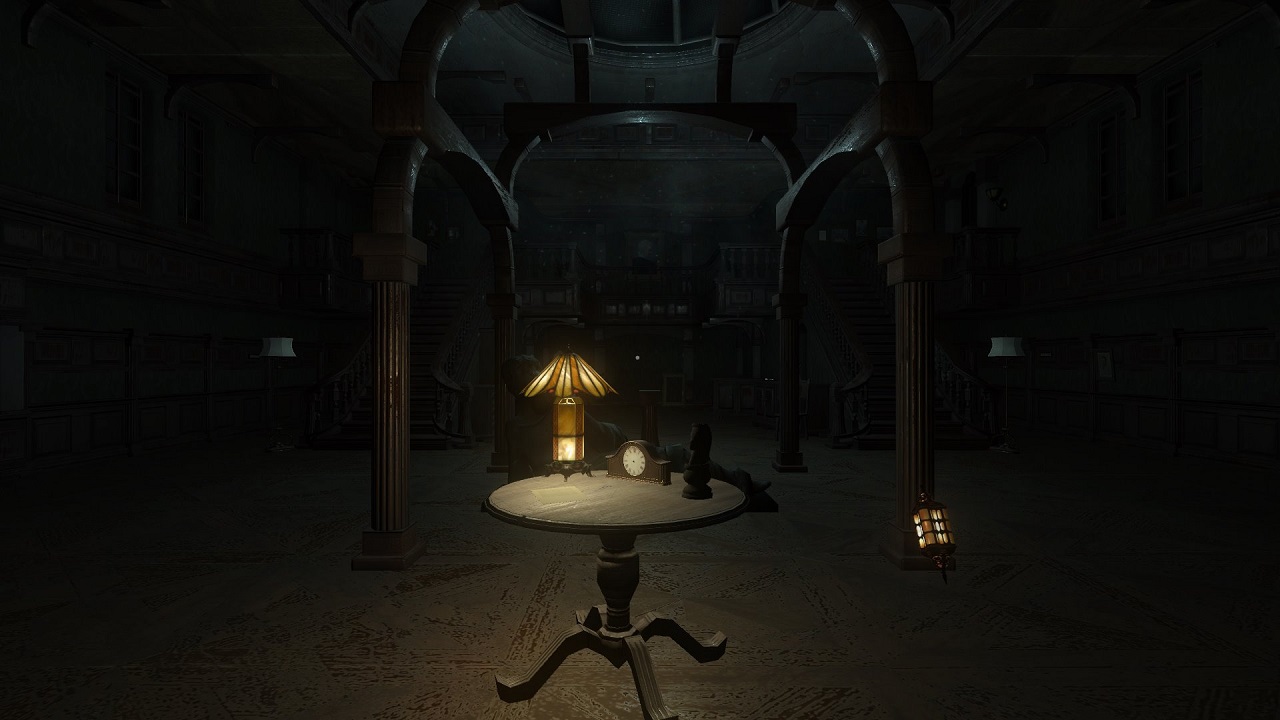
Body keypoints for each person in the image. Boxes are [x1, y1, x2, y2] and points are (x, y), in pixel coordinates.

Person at [502, 355, 773, 507]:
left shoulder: (553, 412)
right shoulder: (528, 423)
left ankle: (733, 480)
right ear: (521, 389)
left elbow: (608, 438)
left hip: (595, 468)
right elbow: (516, 476)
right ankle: (736, 479)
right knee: (668, 456)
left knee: (662, 454)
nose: (546, 385)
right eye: (536, 379)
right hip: (591, 478)